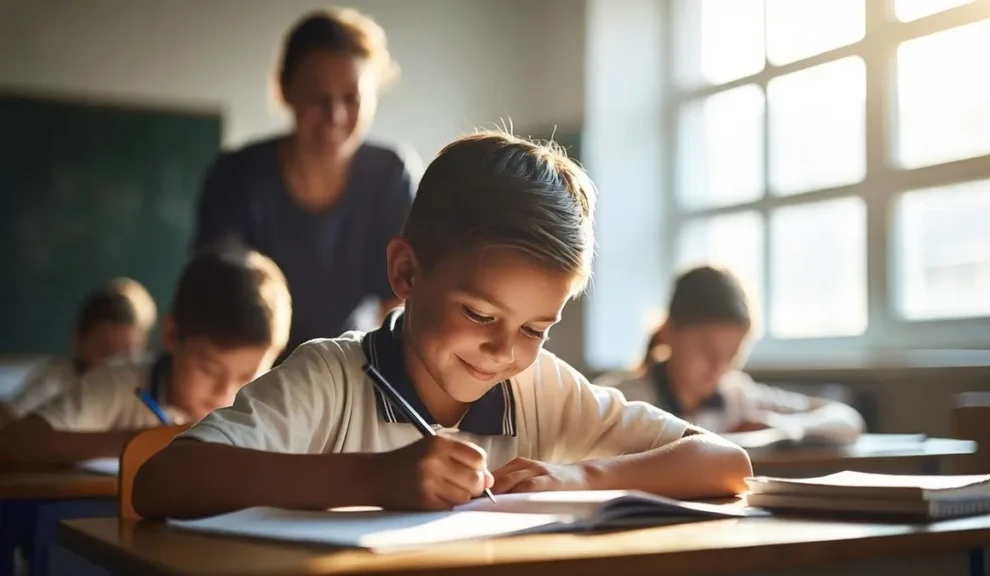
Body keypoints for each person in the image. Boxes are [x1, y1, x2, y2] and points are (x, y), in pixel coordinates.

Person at [132, 132, 752, 520]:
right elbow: (163, 481)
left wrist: (583, 475)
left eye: (537, 328)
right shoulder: (330, 377)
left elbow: (725, 462)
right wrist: (375, 477)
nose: (504, 351)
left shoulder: (541, 390)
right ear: (405, 272)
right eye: (480, 314)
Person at [193, 8, 416, 356]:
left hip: (344, 365)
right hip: (250, 370)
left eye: (351, 97)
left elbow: (404, 301)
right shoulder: (237, 176)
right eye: (318, 97)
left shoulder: (389, 176)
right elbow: (215, 296)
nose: (335, 116)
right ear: (286, 89)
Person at [0, 244, 291, 466]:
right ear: (170, 336)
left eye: (248, 375)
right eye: (209, 369)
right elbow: (14, 443)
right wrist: (147, 443)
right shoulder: (119, 382)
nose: (225, 392)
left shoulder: (269, 412)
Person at [602, 266, 864, 444]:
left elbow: (846, 418)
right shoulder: (623, 400)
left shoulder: (738, 395)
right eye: (707, 350)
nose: (719, 367)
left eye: (733, 355)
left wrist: (780, 428)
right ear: (670, 331)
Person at [0, 278, 157, 428]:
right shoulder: (55, 378)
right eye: (105, 351)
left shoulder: (146, 389)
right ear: (79, 340)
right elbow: (9, 421)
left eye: (128, 353)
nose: (115, 363)